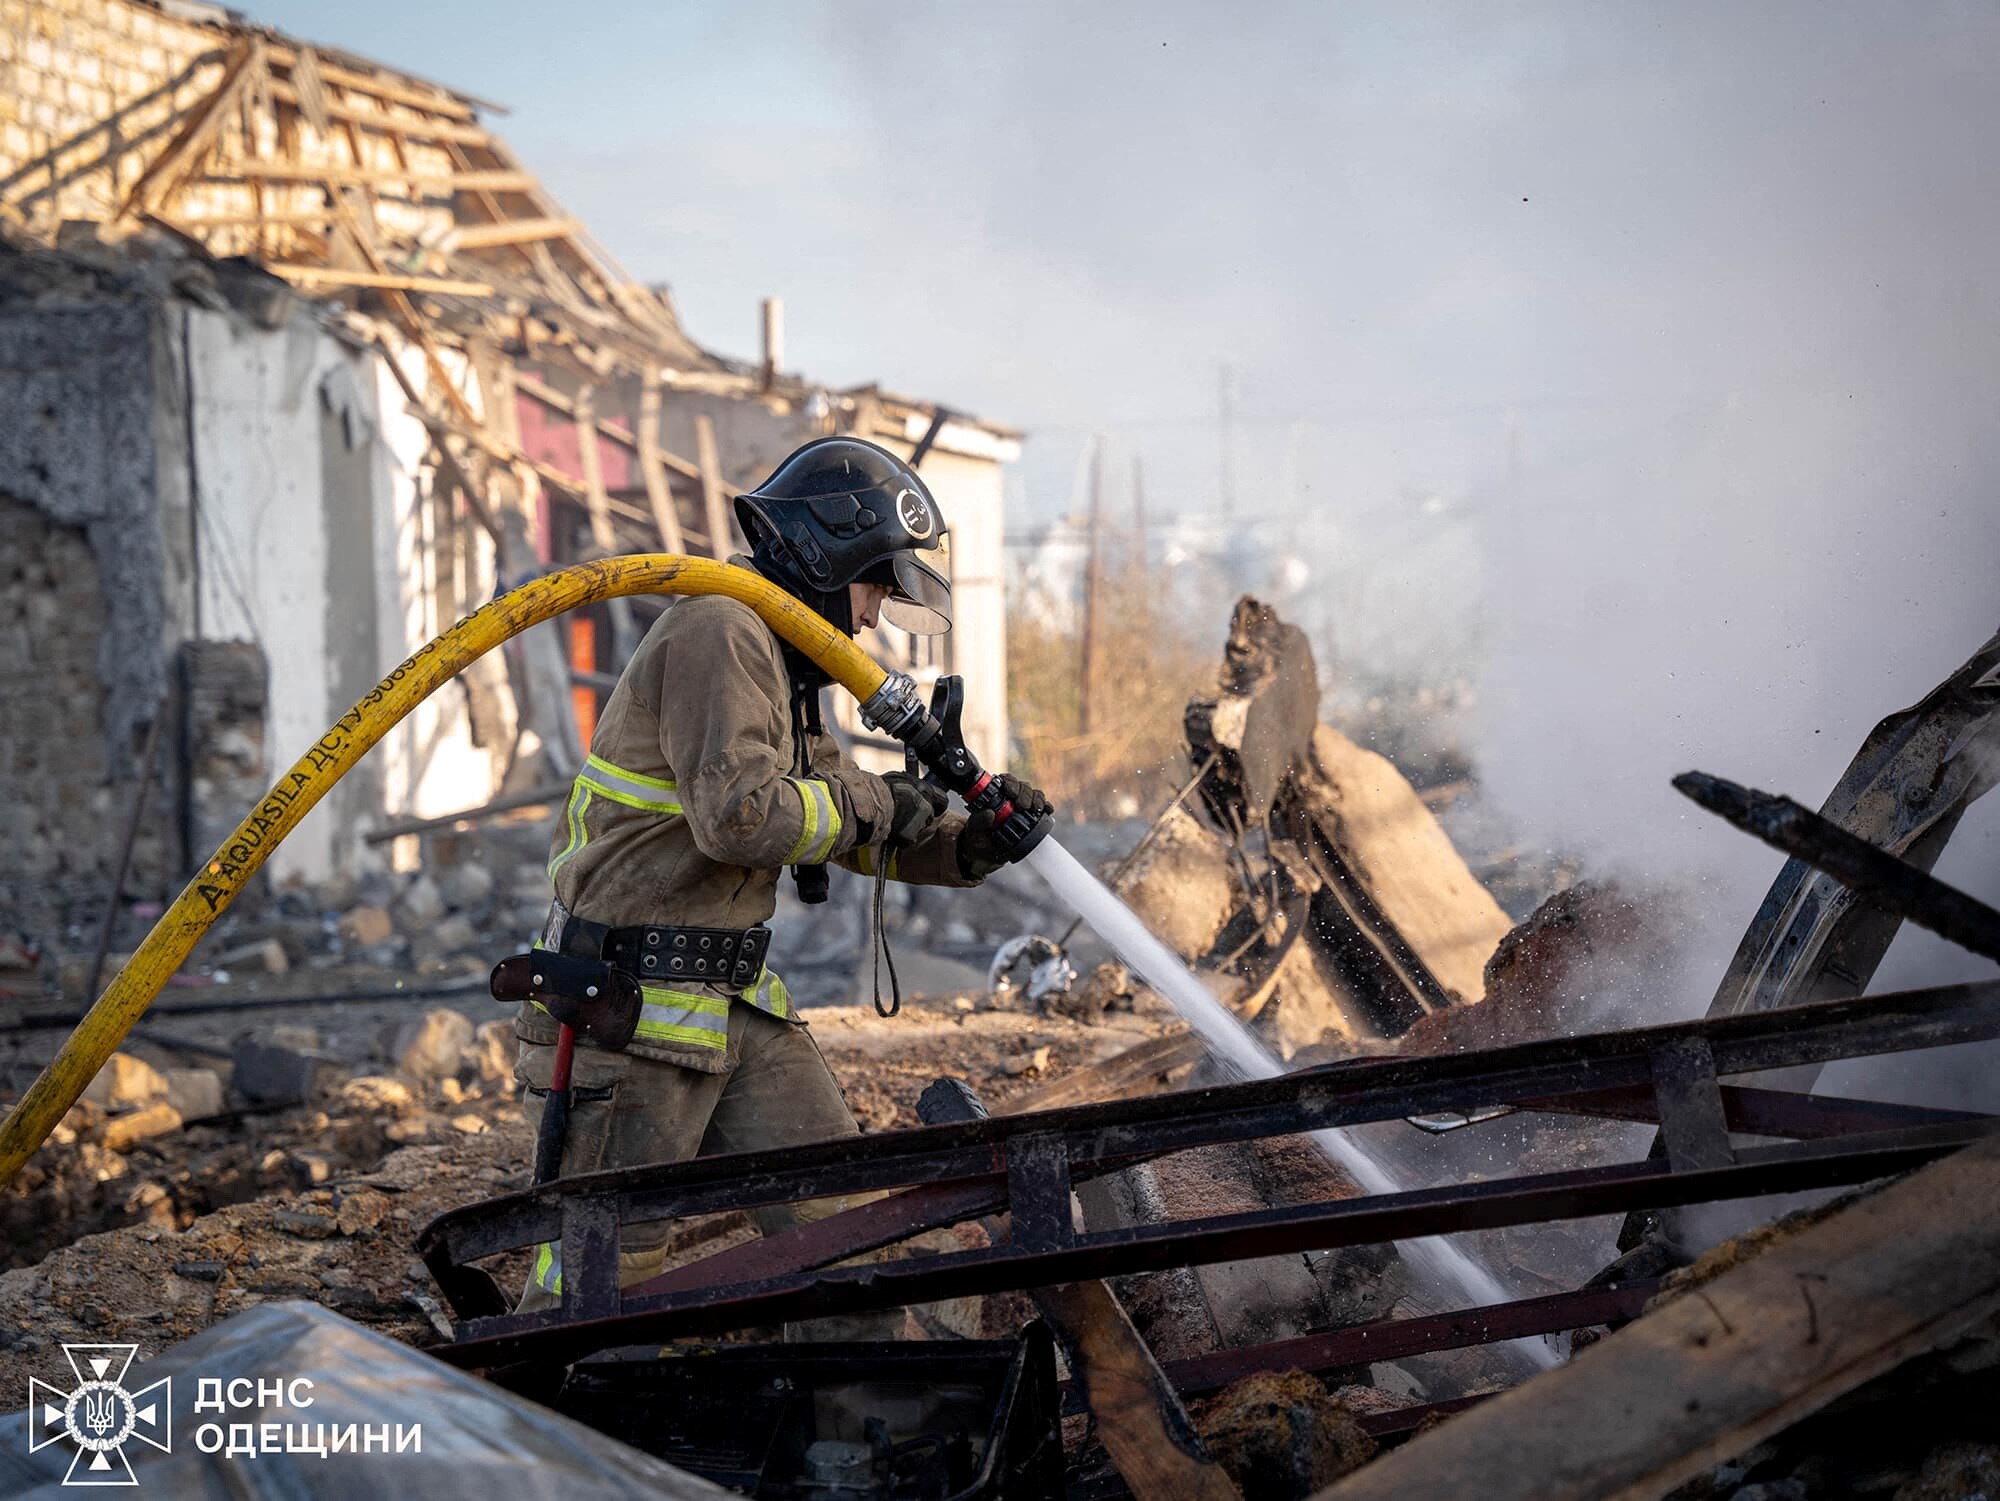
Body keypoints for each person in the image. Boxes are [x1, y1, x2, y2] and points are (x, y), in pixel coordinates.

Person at [512, 435, 1051, 1310]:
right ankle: (541, 1434)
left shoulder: (786, 675)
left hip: (727, 1006)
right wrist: (881, 802)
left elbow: (841, 820)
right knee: (600, 1284)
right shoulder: (720, 630)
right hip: (629, 1009)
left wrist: (965, 842)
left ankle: (858, 1441)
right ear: (830, 552)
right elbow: (743, 818)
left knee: (850, 1241)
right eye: (877, 584)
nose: (873, 617)